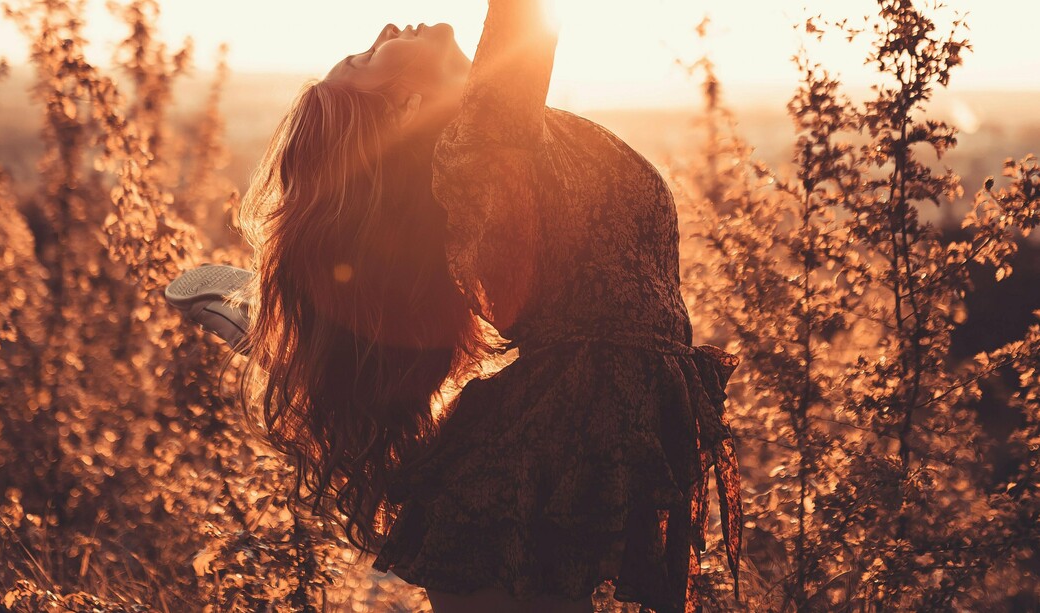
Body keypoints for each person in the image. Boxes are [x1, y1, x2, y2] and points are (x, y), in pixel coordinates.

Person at [235, 2, 742, 611]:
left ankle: (268, 341)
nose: (387, 28)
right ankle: (268, 341)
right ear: (405, 108)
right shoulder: (478, 142)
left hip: (596, 408)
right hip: (560, 428)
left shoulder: (497, 145)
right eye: (369, 57)